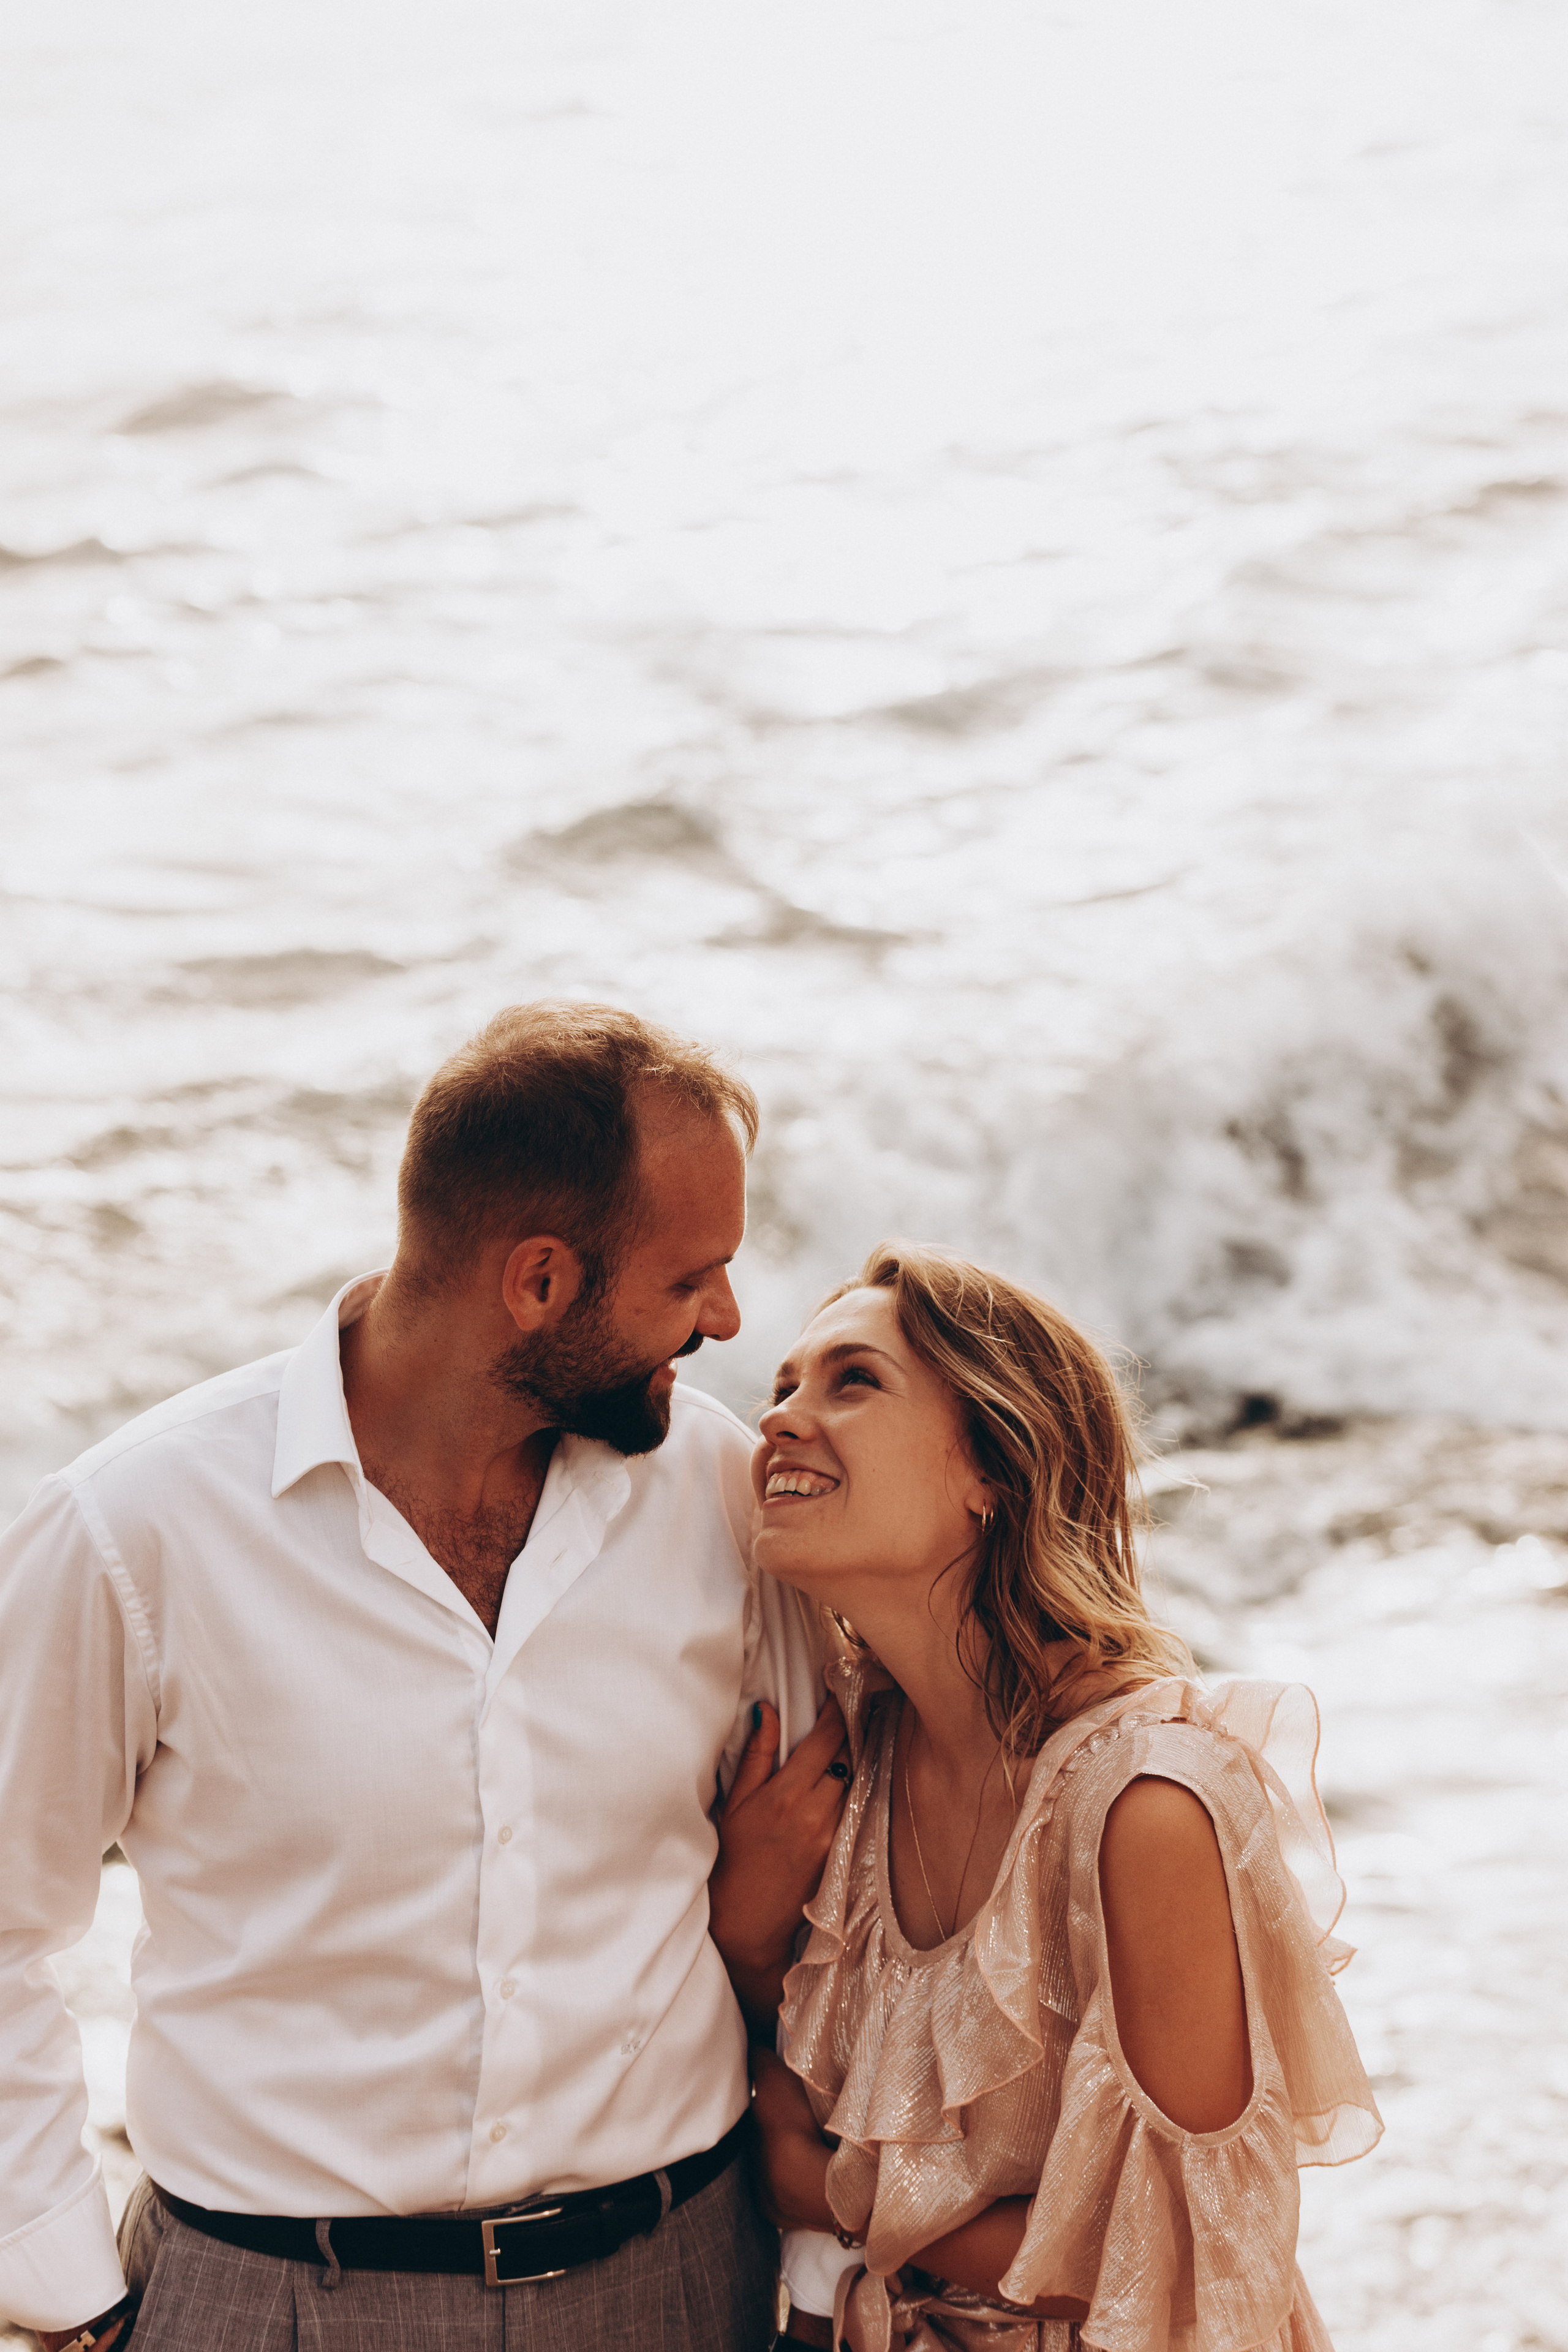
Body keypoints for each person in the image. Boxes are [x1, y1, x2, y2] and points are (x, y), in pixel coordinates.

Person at [0, 1001, 850, 2352]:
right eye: (689, 1280)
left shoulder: (722, 1499)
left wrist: (814, 2276)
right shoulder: (134, 1530)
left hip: (678, 2284)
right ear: (537, 1283)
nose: (726, 1318)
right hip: (266, 2305)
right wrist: (65, 2299)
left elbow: (839, 1923)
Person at [737, 1240, 1382, 2351]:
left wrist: (852, 2201)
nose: (782, 1420)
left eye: (854, 1381)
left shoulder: (1148, 1806)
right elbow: (789, 2116)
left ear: (994, 1468)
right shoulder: (851, 1760)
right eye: (783, 1385)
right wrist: (744, 1933)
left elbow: (1195, 2259)